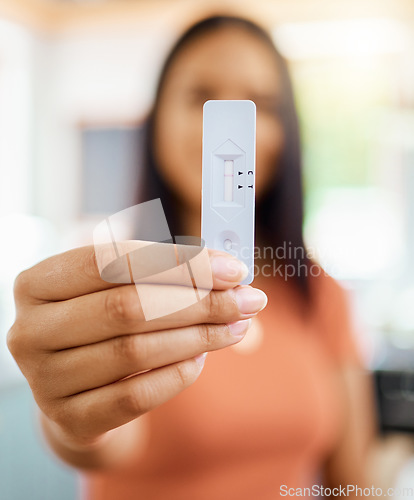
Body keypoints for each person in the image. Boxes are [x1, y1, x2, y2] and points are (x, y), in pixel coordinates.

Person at [7, 13, 388, 500]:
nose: (226, 131)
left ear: (285, 131)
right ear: (156, 119)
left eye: (260, 104)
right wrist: (72, 417)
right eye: (200, 96)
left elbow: (355, 483)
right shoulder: (116, 279)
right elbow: (99, 440)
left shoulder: (317, 290)